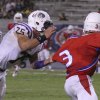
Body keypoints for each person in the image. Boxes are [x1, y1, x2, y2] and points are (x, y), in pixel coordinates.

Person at [34, 12, 100, 100]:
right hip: (80, 79)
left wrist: (35, 64)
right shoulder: (95, 37)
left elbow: (49, 60)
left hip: (69, 83)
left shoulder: (71, 41)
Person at [0, 10, 56, 100]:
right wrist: (44, 36)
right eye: (46, 25)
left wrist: (51, 59)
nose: (47, 28)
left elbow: (34, 64)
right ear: (37, 22)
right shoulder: (24, 27)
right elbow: (24, 46)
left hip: (2, 72)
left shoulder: (39, 43)